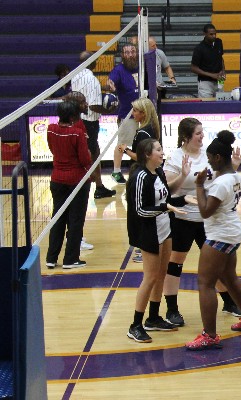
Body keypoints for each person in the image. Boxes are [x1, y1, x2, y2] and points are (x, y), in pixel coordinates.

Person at [186, 131, 241, 350]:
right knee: (230, 279)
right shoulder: (235, 177)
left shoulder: (221, 183)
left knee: (205, 283)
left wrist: (199, 186)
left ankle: (209, 335)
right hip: (231, 231)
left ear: (218, 157)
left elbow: (205, 212)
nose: (208, 161)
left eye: (210, 157)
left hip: (220, 234)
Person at [162, 119, 241, 326]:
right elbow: (168, 191)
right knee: (176, 263)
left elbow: (219, 180)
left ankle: (228, 301)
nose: (202, 136)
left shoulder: (209, 155)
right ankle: (172, 309)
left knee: (218, 264)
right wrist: (183, 176)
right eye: (198, 133)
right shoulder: (175, 157)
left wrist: (232, 167)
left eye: (202, 132)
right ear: (186, 136)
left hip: (208, 217)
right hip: (183, 216)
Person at [125, 138, 191, 343]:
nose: (163, 153)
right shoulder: (139, 177)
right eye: (159, 150)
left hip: (164, 227)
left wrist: (184, 194)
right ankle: (135, 324)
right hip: (147, 231)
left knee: (161, 274)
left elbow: (166, 197)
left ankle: (153, 317)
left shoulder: (158, 172)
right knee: (150, 277)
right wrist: (165, 208)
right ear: (147, 154)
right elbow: (139, 211)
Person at [45, 101, 92, 270]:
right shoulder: (77, 133)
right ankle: (70, 259)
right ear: (73, 117)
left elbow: (52, 149)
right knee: (75, 220)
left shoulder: (50, 129)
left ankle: (51, 258)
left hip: (57, 179)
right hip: (76, 181)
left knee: (57, 218)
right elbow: (85, 160)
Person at [70, 51, 118, 200]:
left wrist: (103, 90)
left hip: (77, 119)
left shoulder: (75, 76)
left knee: (94, 152)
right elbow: (94, 106)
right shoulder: (92, 80)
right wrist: (109, 110)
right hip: (89, 122)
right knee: (90, 156)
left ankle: (99, 186)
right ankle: (85, 186)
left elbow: (82, 96)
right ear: (92, 62)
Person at [107, 42, 140, 184]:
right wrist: (110, 85)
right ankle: (116, 171)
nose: (131, 54)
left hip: (144, 114)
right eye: (127, 52)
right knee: (123, 143)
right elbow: (110, 81)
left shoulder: (142, 67)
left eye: (133, 51)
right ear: (122, 55)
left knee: (142, 143)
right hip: (128, 114)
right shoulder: (119, 70)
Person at [191, 24, 225, 98]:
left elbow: (221, 57)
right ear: (205, 34)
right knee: (206, 107)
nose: (214, 36)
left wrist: (223, 70)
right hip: (205, 82)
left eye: (215, 34)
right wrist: (211, 75)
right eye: (211, 34)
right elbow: (193, 68)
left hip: (219, 80)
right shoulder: (199, 48)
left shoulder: (219, 42)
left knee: (221, 106)